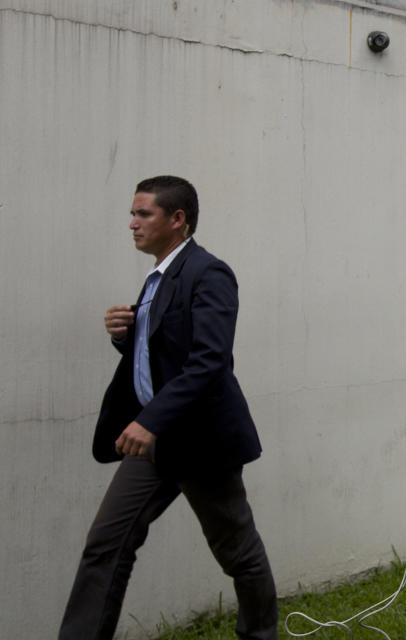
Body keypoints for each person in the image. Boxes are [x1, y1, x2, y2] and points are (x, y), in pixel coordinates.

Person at [59, 176, 277, 639]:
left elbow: (209, 361)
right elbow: (164, 353)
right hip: (154, 442)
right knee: (106, 544)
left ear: (177, 220)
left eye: (143, 214)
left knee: (237, 553)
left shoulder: (209, 272)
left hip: (200, 441)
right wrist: (125, 335)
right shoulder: (158, 277)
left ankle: (259, 635)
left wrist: (149, 420)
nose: (132, 224)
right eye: (132, 214)